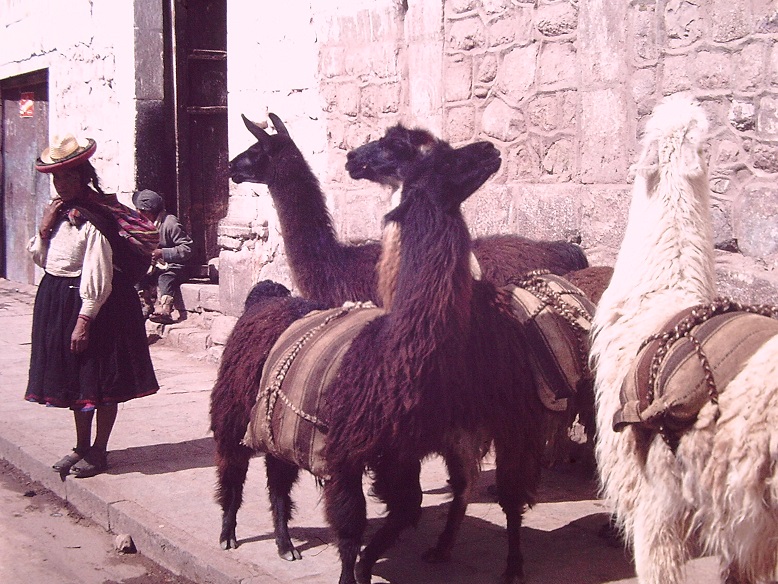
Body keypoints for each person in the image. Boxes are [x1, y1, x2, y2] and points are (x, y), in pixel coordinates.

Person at [26, 133, 159, 478]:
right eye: (56, 177)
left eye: (68, 176)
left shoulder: (92, 218)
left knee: (101, 380)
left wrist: (84, 320)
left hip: (99, 305)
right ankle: (81, 447)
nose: (60, 183)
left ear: (83, 176)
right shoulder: (56, 214)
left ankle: (99, 450)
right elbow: (43, 260)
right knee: (76, 382)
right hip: (58, 300)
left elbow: (98, 274)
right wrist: (43, 229)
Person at [133, 189, 194, 324]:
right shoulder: (141, 224)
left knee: (165, 277)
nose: (139, 213)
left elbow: (187, 249)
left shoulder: (170, 223)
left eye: (143, 211)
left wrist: (163, 253)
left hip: (174, 265)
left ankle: (166, 310)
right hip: (153, 265)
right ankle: (145, 305)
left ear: (152, 212)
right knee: (137, 274)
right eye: (138, 210)